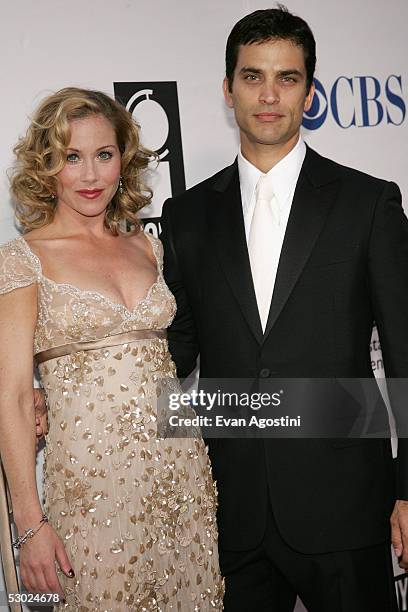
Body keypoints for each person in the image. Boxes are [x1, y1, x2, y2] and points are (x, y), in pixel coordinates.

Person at [158, 7, 408, 612]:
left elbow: (404, 353)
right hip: (231, 507)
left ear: (309, 91)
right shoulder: (187, 215)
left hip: (345, 505)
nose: (268, 96)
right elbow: (174, 351)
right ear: (227, 88)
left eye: (287, 78)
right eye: (252, 76)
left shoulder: (368, 203)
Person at [0, 87, 224, 610]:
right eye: (71, 158)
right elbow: (11, 396)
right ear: (47, 166)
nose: (90, 175)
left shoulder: (148, 245)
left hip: (182, 479)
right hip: (92, 493)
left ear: (123, 161)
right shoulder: (24, 258)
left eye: (104, 155)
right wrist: (30, 523)